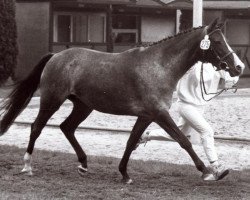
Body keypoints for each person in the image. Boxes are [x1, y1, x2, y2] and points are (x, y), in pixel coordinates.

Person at [138, 61, 239, 181]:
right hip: (186, 106)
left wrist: (230, 79)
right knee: (207, 131)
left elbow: (230, 77)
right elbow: (197, 76)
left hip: (200, 106)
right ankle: (215, 167)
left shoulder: (215, 64)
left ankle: (145, 135)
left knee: (181, 133)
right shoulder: (191, 64)